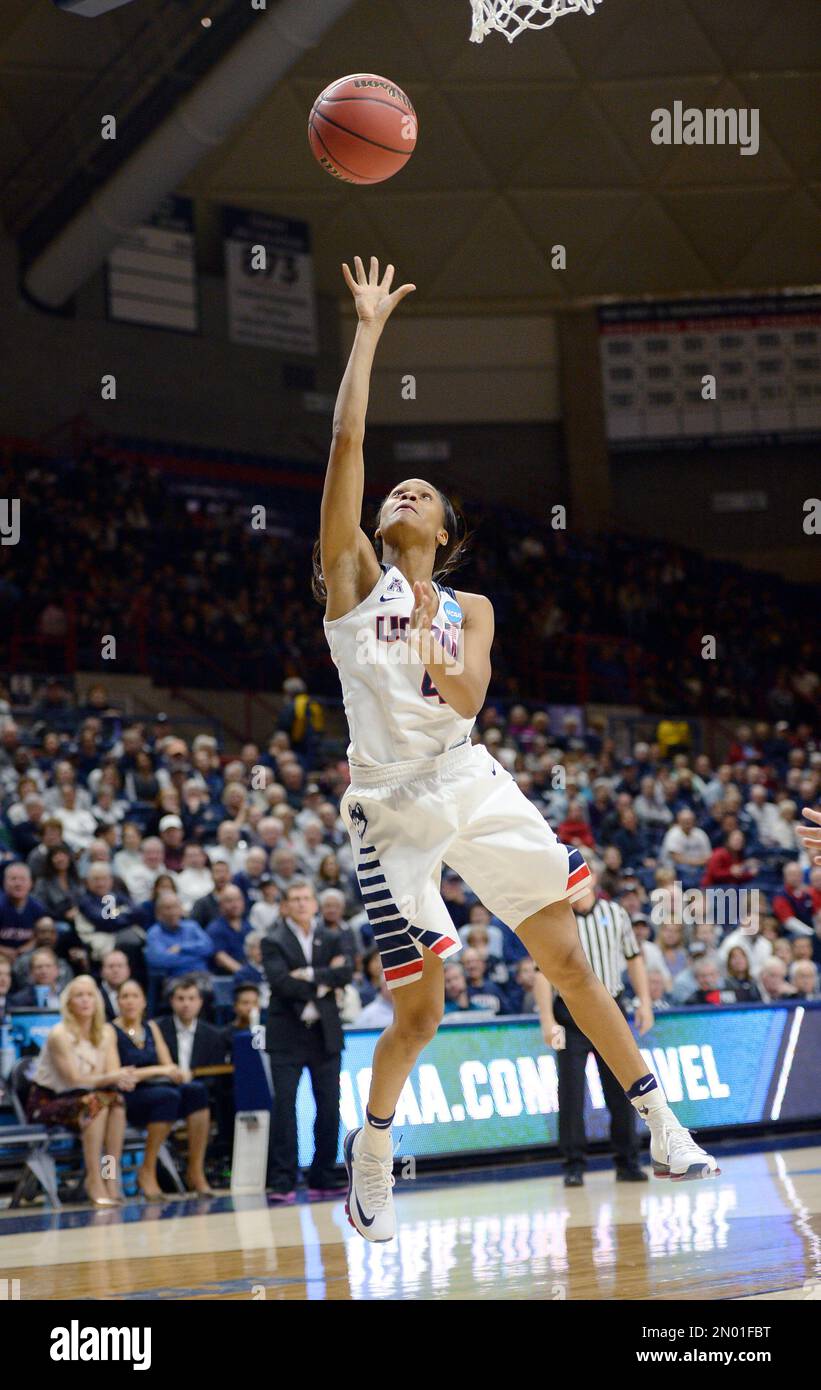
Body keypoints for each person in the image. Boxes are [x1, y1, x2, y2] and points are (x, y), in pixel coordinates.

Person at [316, 256, 717, 1242]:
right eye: (395, 489)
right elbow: (348, 439)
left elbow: (467, 695)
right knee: (420, 1016)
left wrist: (428, 633)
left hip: (468, 776)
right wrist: (367, 332)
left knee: (573, 959)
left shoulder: (469, 607)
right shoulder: (346, 579)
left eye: (422, 493)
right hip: (391, 813)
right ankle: (372, 1144)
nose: (401, 492)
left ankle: (657, 1120)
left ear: (444, 532)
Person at [534, 884, 653, 1187]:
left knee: (622, 1087)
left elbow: (634, 957)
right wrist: (547, 1019)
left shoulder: (616, 913)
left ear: (591, 877)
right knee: (571, 1093)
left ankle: (628, 1161)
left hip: (610, 1010)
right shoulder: (554, 917)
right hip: (569, 1016)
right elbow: (541, 971)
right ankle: (573, 1165)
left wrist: (645, 1004)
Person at [261, 879, 352, 1201]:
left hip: (324, 1033)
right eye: (294, 899)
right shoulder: (272, 940)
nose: (301, 904)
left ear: (314, 903)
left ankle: (323, 1175)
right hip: (287, 1035)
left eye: (306, 898)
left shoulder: (332, 936)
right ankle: (284, 1180)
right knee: (285, 1108)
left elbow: (347, 972)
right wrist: (325, 979)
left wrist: (310, 974)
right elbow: (282, 983)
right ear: (284, 905)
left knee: (329, 1105)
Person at [25, 975, 137, 1205]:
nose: (85, 1000)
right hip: (50, 1100)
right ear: (68, 1003)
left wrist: (123, 1079)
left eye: (90, 995)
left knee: (115, 1103)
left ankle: (110, 1177)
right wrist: (114, 1076)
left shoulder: (107, 1032)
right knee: (98, 1104)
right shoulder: (59, 1034)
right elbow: (74, 1080)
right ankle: (94, 1180)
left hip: (91, 1097)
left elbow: (112, 1073)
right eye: (79, 996)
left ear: (98, 1001)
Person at [113, 979, 213, 1198]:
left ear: (144, 1001)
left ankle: (195, 1170)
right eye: (124, 996)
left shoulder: (151, 1027)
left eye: (135, 996)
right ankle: (143, 1171)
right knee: (167, 1096)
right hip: (123, 1096)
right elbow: (117, 1074)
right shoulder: (110, 1031)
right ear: (117, 1001)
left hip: (157, 1090)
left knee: (196, 1091)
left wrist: (175, 1072)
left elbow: (169, 1066)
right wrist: (157, 1071)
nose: (130, 1002)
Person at [145, 890, 213, 981]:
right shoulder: (154, 933)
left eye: (176, 907)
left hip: (202, 977)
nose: (173, 912)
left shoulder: (192, 926)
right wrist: (196, 957)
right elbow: (159, 960)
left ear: (181, 909)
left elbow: (209, 947)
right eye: (168, 908)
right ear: (158, 913)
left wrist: (181, 948)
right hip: (175, 979)